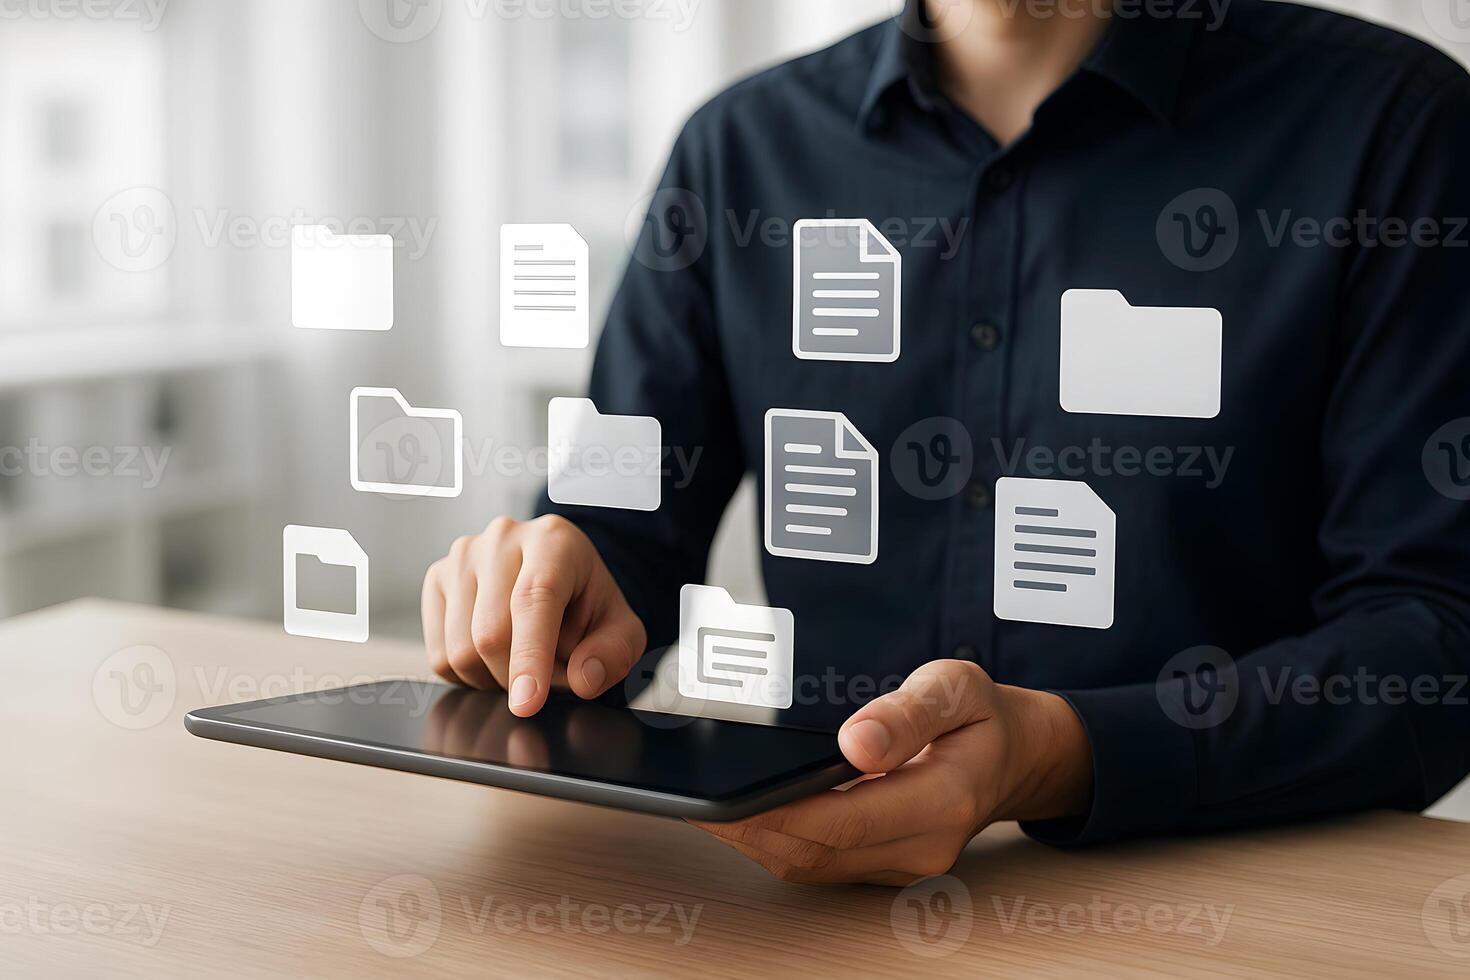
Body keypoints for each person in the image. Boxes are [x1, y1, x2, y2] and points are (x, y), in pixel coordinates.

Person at [421, 0, 1470, 884]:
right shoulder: (739, 150)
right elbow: (622, 527)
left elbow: (1436, 638)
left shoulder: (1394, 127)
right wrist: (546, 589)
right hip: (812, 907)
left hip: (1247, 900)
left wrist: (1061, 755)